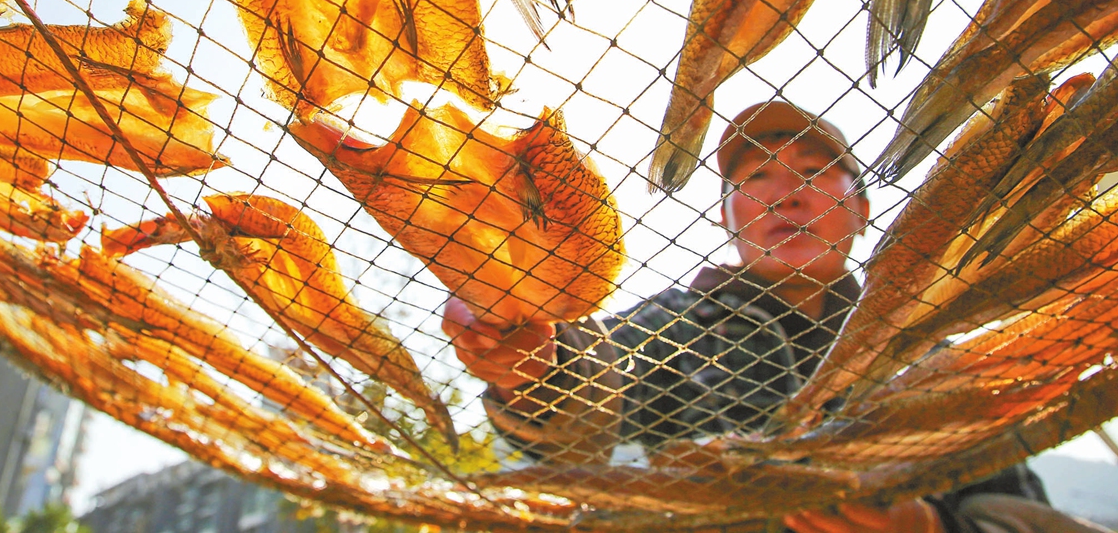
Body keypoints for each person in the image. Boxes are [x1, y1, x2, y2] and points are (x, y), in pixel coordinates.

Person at [443, 100, 1110, 533]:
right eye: (754, 179)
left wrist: (928, 527)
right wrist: (532, 371)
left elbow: (1022, 506)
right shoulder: (671, 323)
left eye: (815, 170)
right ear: (727, 216)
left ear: (862, 208)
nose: (785, 195)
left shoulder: (932, 351)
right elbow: (590, 387)